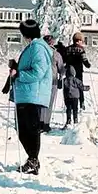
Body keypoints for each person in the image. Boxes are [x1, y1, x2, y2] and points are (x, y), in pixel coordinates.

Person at [9, 19, 53, 175]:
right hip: (27, 93)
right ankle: (32, 159)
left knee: (29, 129)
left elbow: (38, 72)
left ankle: (33, 160)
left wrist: (19, 74)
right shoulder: (33, 47)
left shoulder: (38, 48)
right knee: (23, 129)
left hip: (32, 93)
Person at [40, 35, 65, 132]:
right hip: (52, 81)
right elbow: (61, 70)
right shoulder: (56, 54)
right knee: (49, 103)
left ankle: (40, 123)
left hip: (41, 81)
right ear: (52, 43)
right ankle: (46, 124)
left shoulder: (39, 53)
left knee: (41, 102)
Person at [64, 32, 91, 110]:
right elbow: (84, 58)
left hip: (69, 71)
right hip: (78, 71)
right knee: (79, 86)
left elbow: (65, 59)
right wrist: (87, 64)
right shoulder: (81, 49)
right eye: (82, 40)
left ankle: (69, 105)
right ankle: (81, 102)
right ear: (79, 40)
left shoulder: (68, 48)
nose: (82, 42)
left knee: (69, 87)